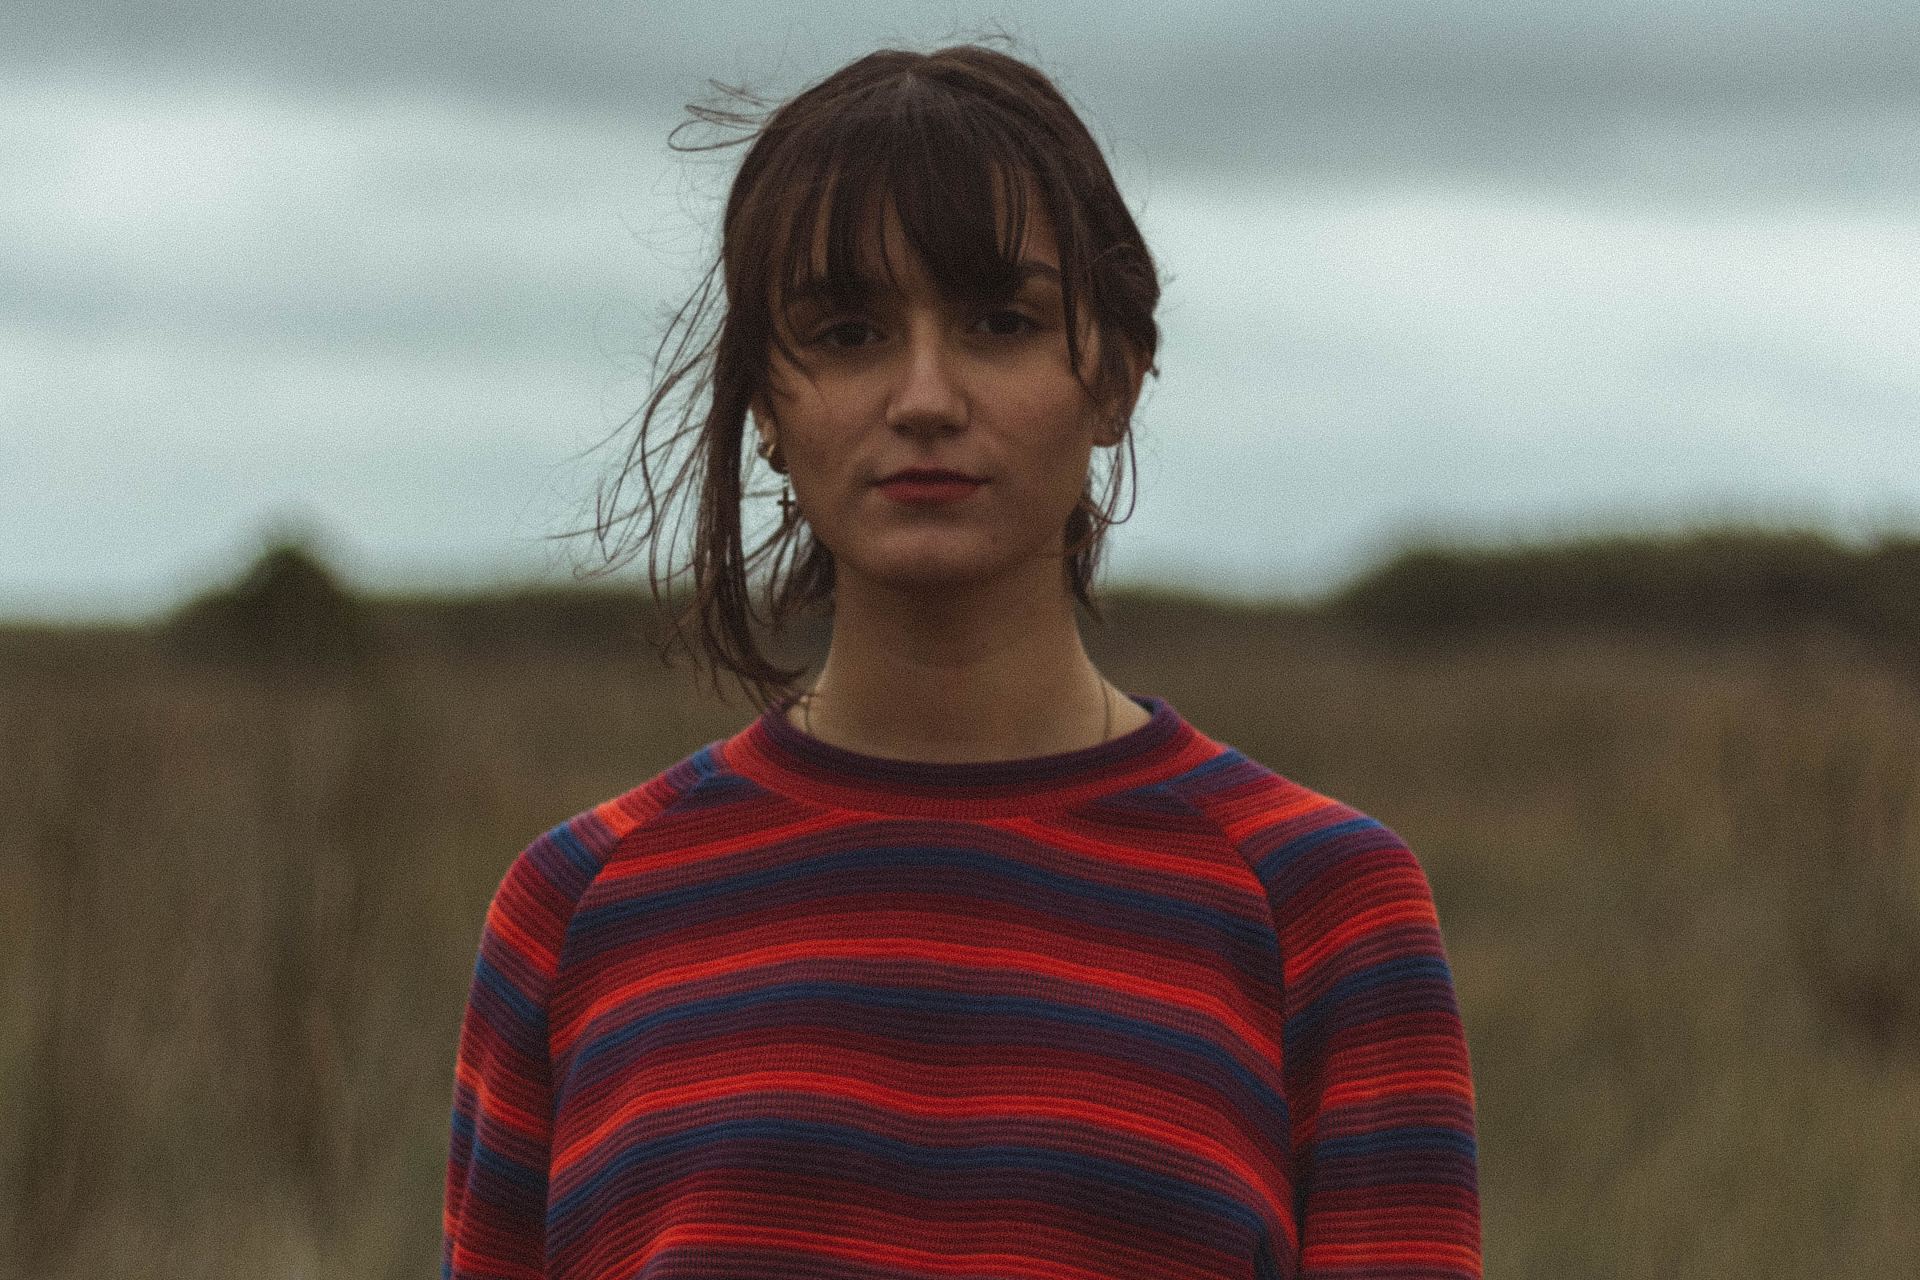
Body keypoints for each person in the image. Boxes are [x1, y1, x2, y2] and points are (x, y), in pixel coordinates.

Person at [442, 41, 1480, 1280]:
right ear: (765, 405)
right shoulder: (576, 909)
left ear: (1115, 377)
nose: (925, 394)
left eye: (1000, 321)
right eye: (848, 329)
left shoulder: (1323, 908)